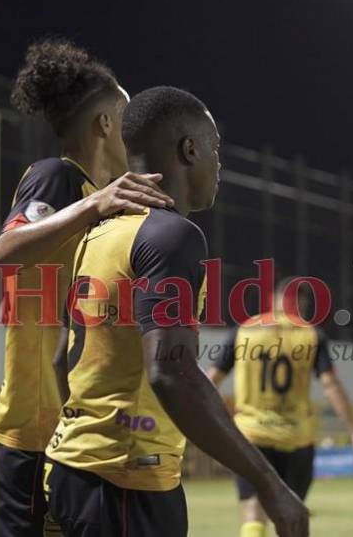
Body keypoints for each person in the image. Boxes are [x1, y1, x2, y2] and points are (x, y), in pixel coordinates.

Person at [46, 86, 309, 537]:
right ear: (189, 149)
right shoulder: (172, 236)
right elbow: (170, 372)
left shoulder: (98, 233)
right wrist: (269, 484)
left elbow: (59, 359)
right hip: (128, 483)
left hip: (69, 472)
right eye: (215, 149)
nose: (219, 163)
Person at [0, 39, 173, 537]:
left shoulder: (99, 200)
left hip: (76, 441)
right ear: (106, 123)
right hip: (32, 434)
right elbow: (4, 254)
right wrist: (95, 206)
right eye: (126, 115)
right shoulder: (59, 178)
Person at [206, 280, 353, 537]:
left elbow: (210, 381)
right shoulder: (311, 334)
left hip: (252, 436)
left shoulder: (245, 330)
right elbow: (331, 385)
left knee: (253, 512)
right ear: (302, 304)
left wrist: (214, 426)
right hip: (297, 438)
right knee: (290, 516)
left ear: (273, 299)